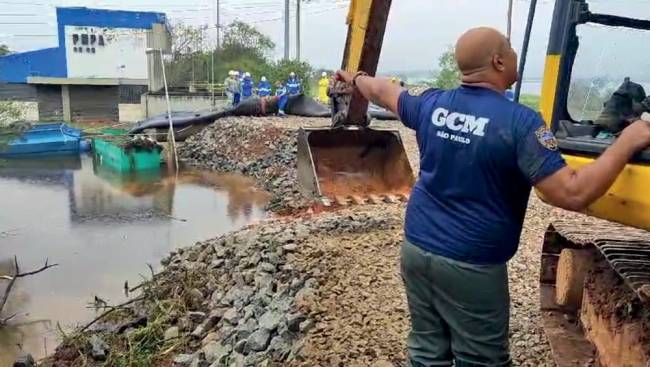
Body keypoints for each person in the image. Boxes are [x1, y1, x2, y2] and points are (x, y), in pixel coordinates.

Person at [333, 26, 650, 366]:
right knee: (481, 359)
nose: (515, 55)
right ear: (499, 61)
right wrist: (629, 139)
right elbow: (572, 192)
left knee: (428, 351)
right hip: (470, 264)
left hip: (416, 247)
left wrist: (356, 78)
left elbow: (383, 92)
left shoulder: (433, 104)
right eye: (511, 50)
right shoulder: (519, 122)